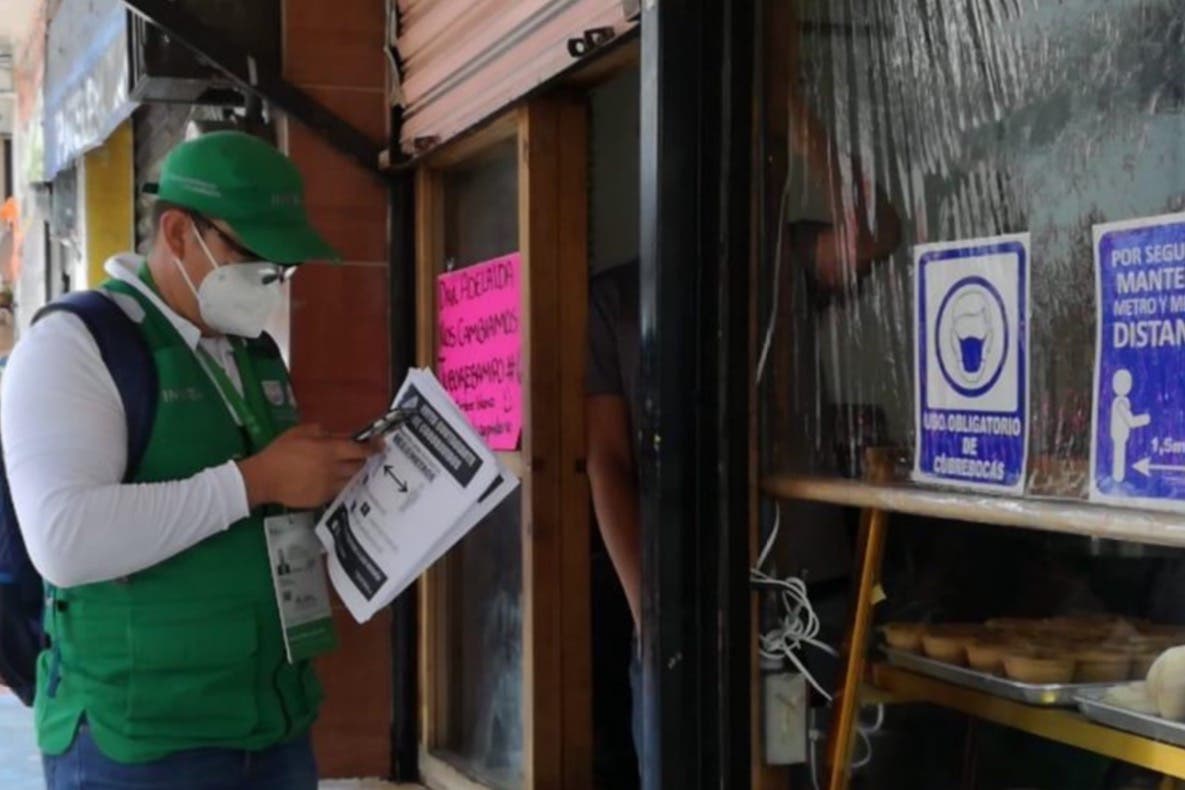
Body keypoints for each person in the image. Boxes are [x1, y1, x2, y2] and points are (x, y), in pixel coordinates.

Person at [1, 131, 384, 790]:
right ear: (178, 233)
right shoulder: (78, 343)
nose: (270, 279)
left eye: (281, 266)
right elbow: (65, 540)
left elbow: (262, 509)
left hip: (274, 721)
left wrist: (336, 480)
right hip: (141, 743)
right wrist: (256, 480)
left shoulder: (250, 352)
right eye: (252, 255)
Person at [584, 77, 900, 782]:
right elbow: (606, 461)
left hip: (808, 594)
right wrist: (649, 611)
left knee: (809, 771)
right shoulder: (615, 300)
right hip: (684, 604)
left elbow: (873, 234)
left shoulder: (783, 260)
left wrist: (794, 112)